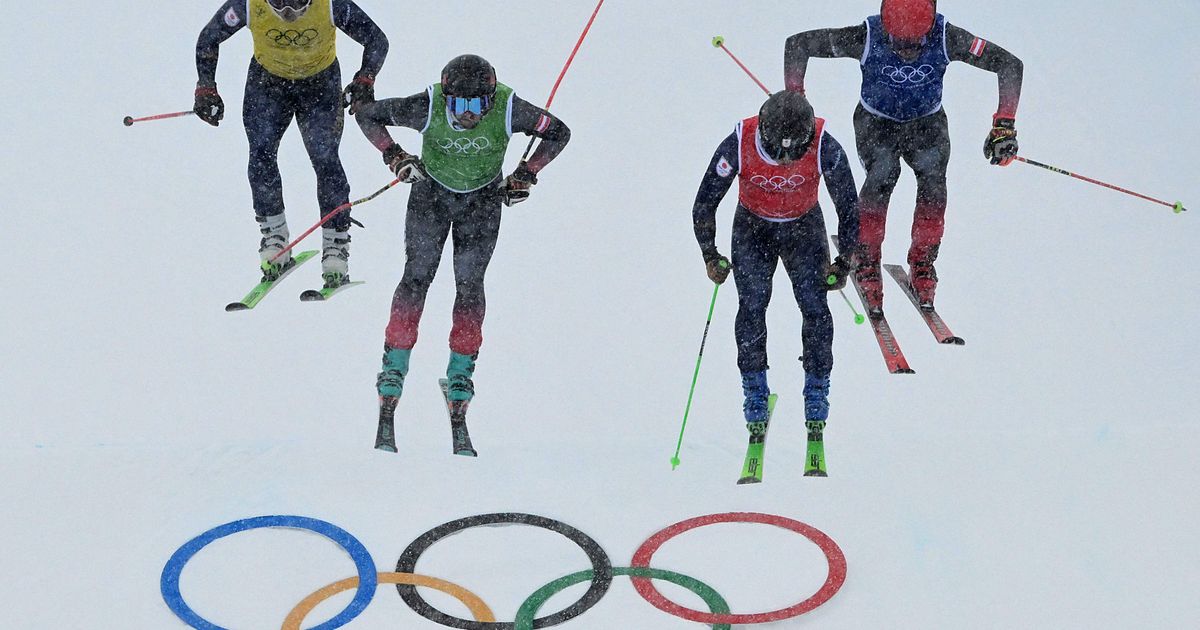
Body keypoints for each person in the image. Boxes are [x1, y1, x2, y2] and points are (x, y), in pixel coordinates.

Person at [354, 54, 571, 440]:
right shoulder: (428, 104)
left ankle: (460, 373)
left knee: (469, 285)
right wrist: (395, 156)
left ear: (490, 98)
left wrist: (526, 174)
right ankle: (394, 365)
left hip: (481, 204)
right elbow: (367, 114)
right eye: (459, 104)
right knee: (416, 278)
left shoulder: (509, 108)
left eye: (477, 106)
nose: (468, 114)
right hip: (430, 198)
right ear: (446, 95)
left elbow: (559, 132)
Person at [784, 0, 1023, 313]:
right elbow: (798, 45)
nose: (906, 52)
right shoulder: (866, 36)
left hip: (927, 124)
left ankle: (922, 262)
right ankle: (866, 260)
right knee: (883, 173)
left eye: (915, 45)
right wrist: (796, 100)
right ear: (886, 29)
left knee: (934, 184)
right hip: (875, 122)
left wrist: (1004, 125)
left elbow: (1009, 64)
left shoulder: (947, 37)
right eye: (898, 44)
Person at [692, 90, 859, 456]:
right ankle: (754, 390)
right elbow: (704, 202)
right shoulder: (738, 142)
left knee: (815, 308)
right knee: (752, 306)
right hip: (753, 229)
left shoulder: (824, 144)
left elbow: (849, 205)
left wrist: (846, 260)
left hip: (804, 229)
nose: (785, 161)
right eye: (777, 151)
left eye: (793, 152)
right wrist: (710, 254)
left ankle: (817, 391)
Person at [194, 0, 388, 287]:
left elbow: (376, 39)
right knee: (261, 154)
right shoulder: (249, 4)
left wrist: (365, 79)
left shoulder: (331, 4)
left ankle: (336, 243)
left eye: (298, 5)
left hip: (319, 86)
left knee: (325, 159)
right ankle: (274, 235)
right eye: (279, 5)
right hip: (267, 84)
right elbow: (209, 38)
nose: (288, 14)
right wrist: (206, 88)